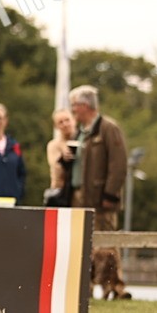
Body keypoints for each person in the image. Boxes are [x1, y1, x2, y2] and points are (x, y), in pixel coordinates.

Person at [69, 85, 130, 298]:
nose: (72, 110)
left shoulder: (108, 128)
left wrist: (110, 194)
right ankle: (88, 287)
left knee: (107, 245)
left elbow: (119, 164)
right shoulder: (80, 132)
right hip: (81, 198)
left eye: (74, 105)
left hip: (101, 199)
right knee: (86, 243)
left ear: (85, 106)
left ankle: (114, 287)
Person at [44, 108, 78, 207]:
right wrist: (63, 158)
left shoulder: (83, 141)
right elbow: (57, 170)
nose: (65, 124)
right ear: (56, 126)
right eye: (60, 122)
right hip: (60, 193)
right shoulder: (53, 145)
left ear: (74, 120)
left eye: (67, 120)